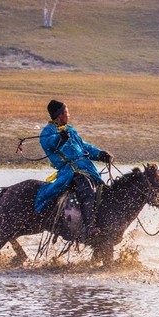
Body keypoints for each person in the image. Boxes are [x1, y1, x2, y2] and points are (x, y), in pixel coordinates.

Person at [33, 99, 114, 238]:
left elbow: (84, 147)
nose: (69, 115)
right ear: (60, 115)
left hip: (87, 168)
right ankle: (89, 227)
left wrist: (100, 154)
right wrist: (61, 139)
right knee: (88, 189)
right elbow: (52, 144)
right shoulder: (47, 132)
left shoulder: (70, 130)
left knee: (103, 190)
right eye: (67, 112)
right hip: (70, 171)